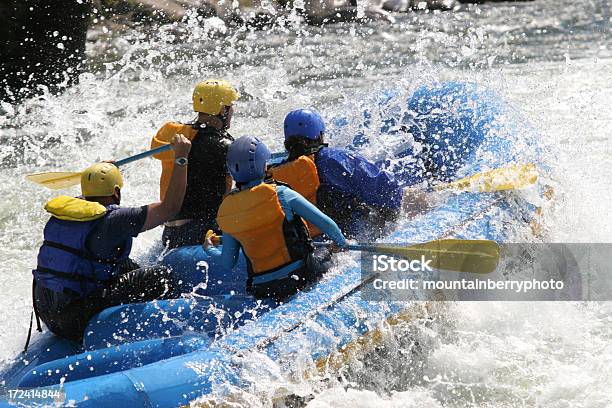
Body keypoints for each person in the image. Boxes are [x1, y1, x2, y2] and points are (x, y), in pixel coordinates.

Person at [31, 136, 192, 343]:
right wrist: (181, 158)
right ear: (116, 193)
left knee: (126, 264)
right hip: (75, 320)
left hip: (48, 311)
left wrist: (103, 173)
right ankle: (174, 329)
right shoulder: (115, 220)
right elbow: (170, 208)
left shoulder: (67, 211)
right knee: (160, 275)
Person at [203, 136, 347, 300]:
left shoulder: (227, 211)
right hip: (300, 276)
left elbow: (228, 262)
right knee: (333, 255)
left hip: (263, 288)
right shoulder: (281, 194)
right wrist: (341, 244)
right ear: (261, 166)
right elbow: (327, 224)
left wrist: (209, 248)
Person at [269, 108, 404, 239]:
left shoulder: (275, 173)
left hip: (309, 244)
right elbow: (388, 192)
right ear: (320, 136)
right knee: (410, 197)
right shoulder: (334, 159)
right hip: (348, 236)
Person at [150, 79, 239, 248]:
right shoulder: (223, 146)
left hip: (170, 234)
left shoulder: (176, 134)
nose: (233, 111)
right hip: (201, 232)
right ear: (222, 109)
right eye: (231, 106)